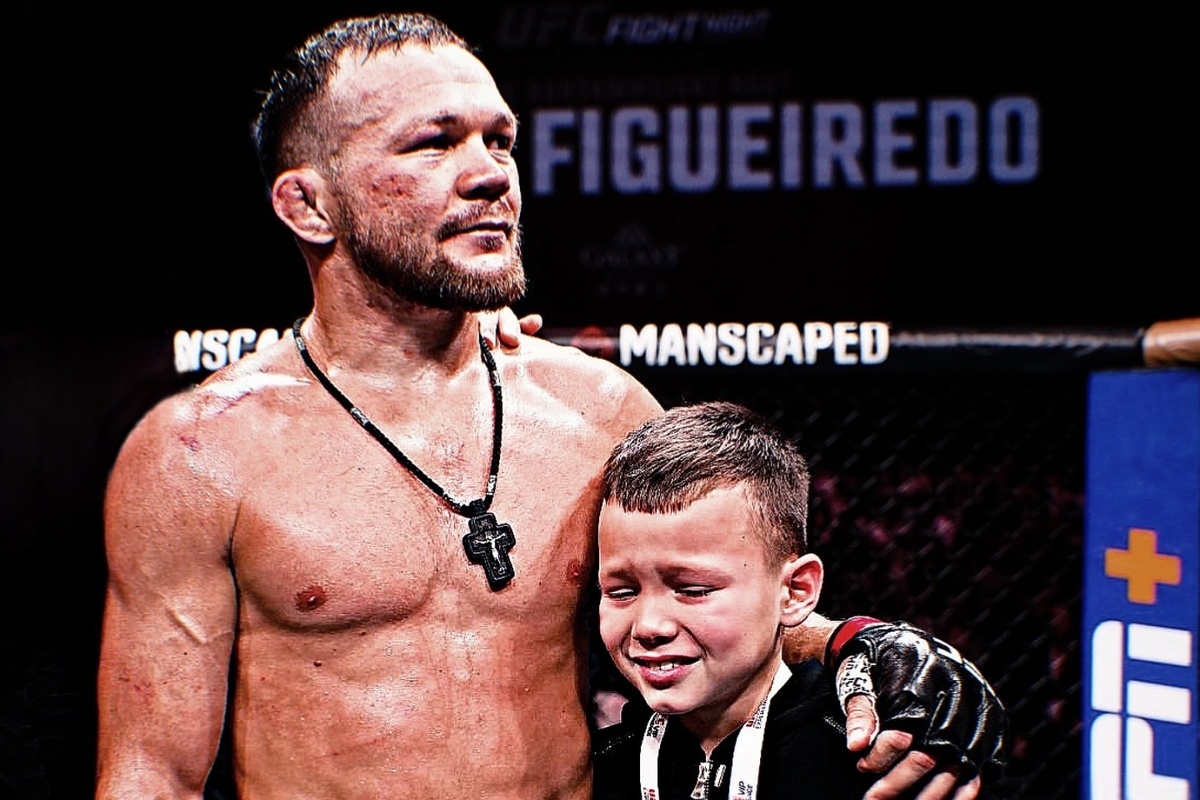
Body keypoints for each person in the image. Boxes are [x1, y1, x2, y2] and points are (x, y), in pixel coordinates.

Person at [94, 12, 1004, 800]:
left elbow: (716, 611)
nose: (492, 174)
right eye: (434, 143)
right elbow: (151, 774)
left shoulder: (598, 411)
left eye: (500, 141)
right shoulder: (201, 454)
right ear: (308, 205)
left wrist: (860, 646)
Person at [591, 400, 877, 799]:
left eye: (693, 590)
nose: (649, 626)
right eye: (622, 592)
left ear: (795, 591)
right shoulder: (594, 770)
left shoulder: (871, 763)